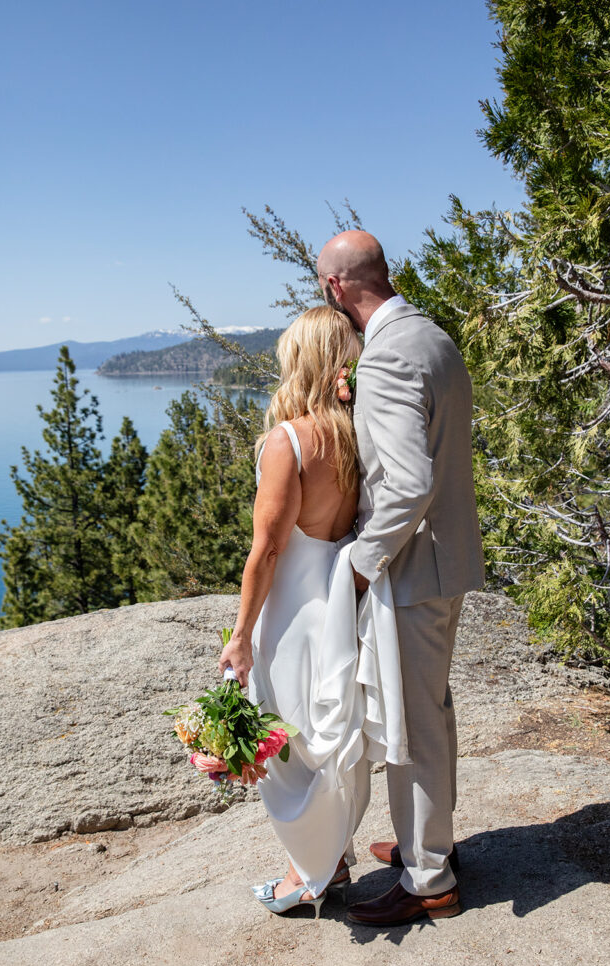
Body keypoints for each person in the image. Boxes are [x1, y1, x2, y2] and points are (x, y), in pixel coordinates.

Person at [317, 230, 485, 926]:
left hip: (411, 569)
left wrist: (360, 562)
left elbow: (408, 482)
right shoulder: (428, 336)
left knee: (412, 729)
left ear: (335, 289)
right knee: (430, 716)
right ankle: (427, 844)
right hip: (445, 558)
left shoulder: (386, 354)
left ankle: (428, 881)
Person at [219, 304, 404, 918]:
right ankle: (334, 857)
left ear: (298, 360)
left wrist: (241, 636)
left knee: (288, 741)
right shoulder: (356, 436)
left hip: (293, 615)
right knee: (328, 734)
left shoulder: (288, 440)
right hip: (339, 606)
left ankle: (310, 872)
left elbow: (266, 549)